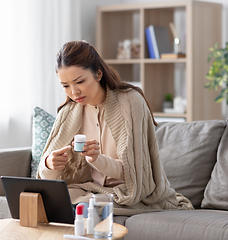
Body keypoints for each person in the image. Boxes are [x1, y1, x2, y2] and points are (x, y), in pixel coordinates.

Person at [37, 40, 193, 216]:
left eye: (79, 82)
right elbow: (47, 180)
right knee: (43, 203)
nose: (74, 93)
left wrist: (96, 159)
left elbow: (133, 175)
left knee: (82, 210)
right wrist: (49, 164)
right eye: (65, 86)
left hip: (127, 193)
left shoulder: (130, 103)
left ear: (98, 74)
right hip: (86, 191)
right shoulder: (68, 112)